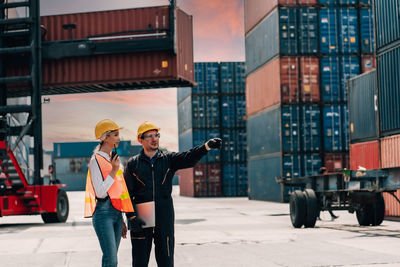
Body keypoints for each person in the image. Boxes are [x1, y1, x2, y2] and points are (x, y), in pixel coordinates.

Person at [124, 121, 222, 267]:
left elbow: (188, 157)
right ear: (140, 140)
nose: (154, 139)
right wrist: (131, 216)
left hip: (164, 213)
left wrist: (206, 147)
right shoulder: (133, 164)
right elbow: (125, 194)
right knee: (139, 261)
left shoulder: (168, 159)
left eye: (156, 135)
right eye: (149, 136)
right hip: (142, 213)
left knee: (166, 259)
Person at [84, 119, 135, 267]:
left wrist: (122, 217)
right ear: (105, 137)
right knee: (111, 260)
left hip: (117, 214)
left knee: (111, 261)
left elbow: (119, 191)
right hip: (103, 213)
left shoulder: (114, 160)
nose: (119, 138)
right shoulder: (96, 160)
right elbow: (100, 192)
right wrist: (113, 171)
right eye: (115, 134)